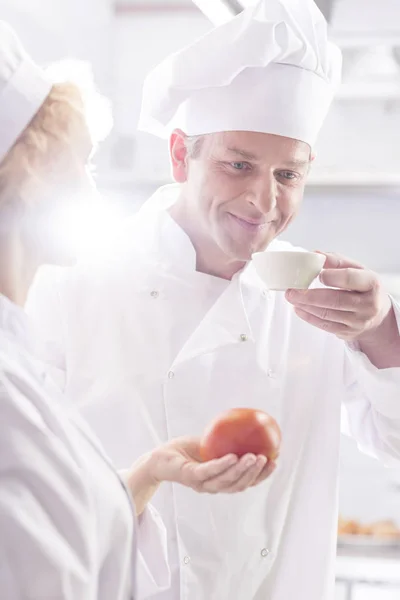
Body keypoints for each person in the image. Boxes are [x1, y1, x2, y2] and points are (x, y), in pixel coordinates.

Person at [27, 0, 400, 599]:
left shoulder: (321, 301)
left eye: (288, 175)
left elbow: (393, 443)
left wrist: (381, 333)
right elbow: (26, 496)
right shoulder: (72, 284)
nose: (263, 201)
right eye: (238, 164)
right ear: (181, 154)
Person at [0, 21, 274, 600]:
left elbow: (61, 535)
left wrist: (147, 473)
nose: (92, 193)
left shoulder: (15, 352)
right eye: (80, 163)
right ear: (28, 176)